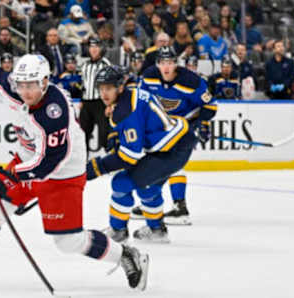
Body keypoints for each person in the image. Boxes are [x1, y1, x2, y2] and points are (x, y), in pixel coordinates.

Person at [0, 54, 149, 291]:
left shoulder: (54, 112)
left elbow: (47, 163)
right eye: (21, 85)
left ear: (45, 81)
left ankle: (125, 255)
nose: (25, 92)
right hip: (27, 160)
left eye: (32, 86)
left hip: (63, 173)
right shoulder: (12, 85)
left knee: (68, 242)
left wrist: (7, 178)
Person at [85, 63, 198, 242]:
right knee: (147, 186)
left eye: (108, 88)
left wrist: (95, 168)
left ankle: (118, 230)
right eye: (101, 89)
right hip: (178, 144)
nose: (104, 94)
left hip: (171, 151)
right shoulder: (129, 95)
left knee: (121, 183)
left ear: (120, 87)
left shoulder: (124, 109)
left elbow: (129, 156)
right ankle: (157, 231)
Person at [130, 46, 217, 225]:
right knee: (160, 164)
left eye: (170, 62)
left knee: (173, 162)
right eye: (162, 63)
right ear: (157, 64)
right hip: (164, 127)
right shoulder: (148, 76)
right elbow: (141, 102)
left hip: (185, 126)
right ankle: (151, 204)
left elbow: (211, 106)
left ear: (176, 63)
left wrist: (202, 123)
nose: (166, 67)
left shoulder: (191, 81)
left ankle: (180, 208)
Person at [79, 37, 111, 153]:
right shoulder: (84, 65)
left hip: (101, 102)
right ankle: (83, 164)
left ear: (101, 48)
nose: (94, 49)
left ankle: (109, 161)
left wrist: (109, 104)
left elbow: (110, 85)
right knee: (83, 135)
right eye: (91, 47)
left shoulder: (105, 64)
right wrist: (82, 100)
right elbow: (83, 84)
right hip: (87, 103)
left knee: (104, 134)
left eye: (96, 47)